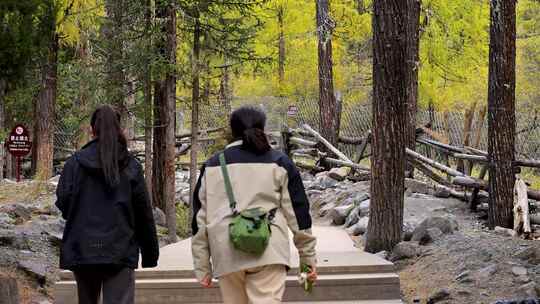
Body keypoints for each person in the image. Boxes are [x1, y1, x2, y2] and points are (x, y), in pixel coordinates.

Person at [192, 106, 317, 304]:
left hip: (227, 252)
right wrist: (307, 259)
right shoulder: (279, 162)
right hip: (269, 250)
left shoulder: (212, 165)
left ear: (232, 131)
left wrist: (202, 266)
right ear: (262, 128)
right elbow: (298, 213)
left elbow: (200, 219)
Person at [56, 105, 159, 304]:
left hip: (83, 250)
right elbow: (143, 213)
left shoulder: (74, 164)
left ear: (92, 130)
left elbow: (63, 202)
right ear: (119, 130)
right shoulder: (131, 166)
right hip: (119, 250)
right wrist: (150, 254)